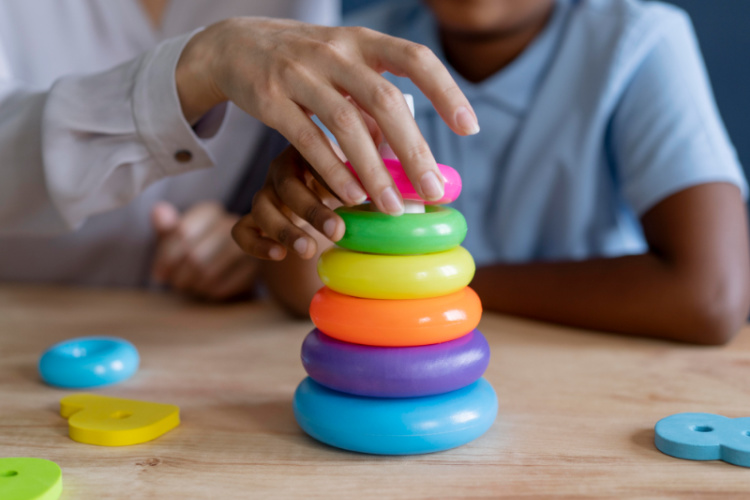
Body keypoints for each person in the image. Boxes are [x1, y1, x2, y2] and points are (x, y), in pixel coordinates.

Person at [234, 0, 750, 344]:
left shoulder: (637, 40)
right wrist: (299, 221)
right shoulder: (352, 48)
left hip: (589, 369)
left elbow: (710, 296)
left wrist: (439, 282)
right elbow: (302, 283)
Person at [0, 0, 478, 300]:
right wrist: (203, 63)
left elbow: (296, 192)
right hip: (21, 313)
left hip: (198, 330)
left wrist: (253, 242)